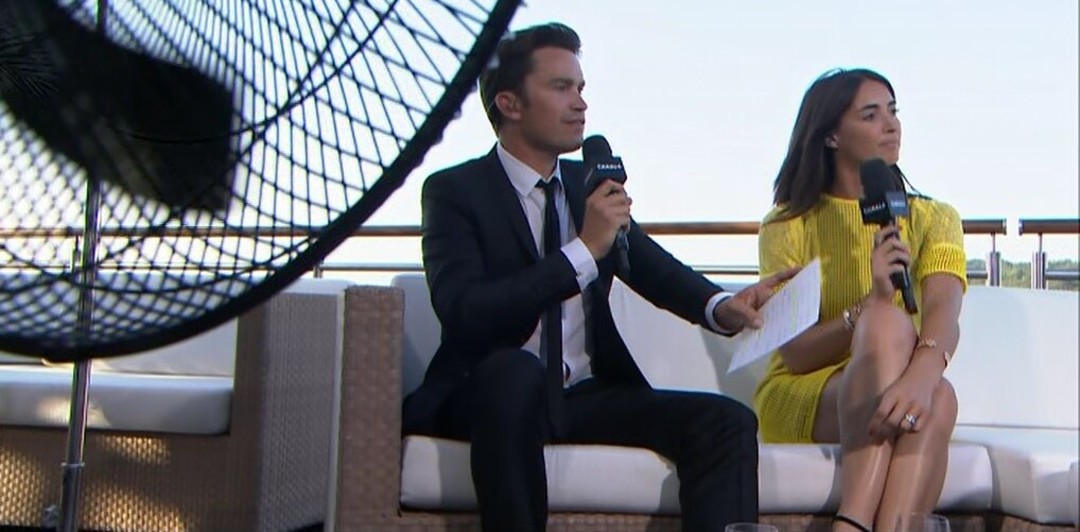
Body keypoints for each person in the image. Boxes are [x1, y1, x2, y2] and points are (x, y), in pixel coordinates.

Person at [402, 22, 797, 532]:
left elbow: (651, 265)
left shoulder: (586, 184)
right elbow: (464, 311)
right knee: (514, 373)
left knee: (726, 421)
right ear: (510, 104)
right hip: (489, 395)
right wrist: (584, 251)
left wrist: (721, 306)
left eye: (581, 88)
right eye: (561, 87)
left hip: (584, 395)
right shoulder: (455, 191)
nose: (580, 103)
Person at [753, 68, 967, 531]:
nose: (891, 125)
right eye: (870, 115)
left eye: (893, 111)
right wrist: (872, 301)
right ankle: (853, 522)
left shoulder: (934, 218)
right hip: (809, 390)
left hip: (905, 381)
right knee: (885, 320)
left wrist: (922, 376)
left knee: (939, 396)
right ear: (831, 135)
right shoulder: (787, 225)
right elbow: (796, 354)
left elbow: (944, 310)